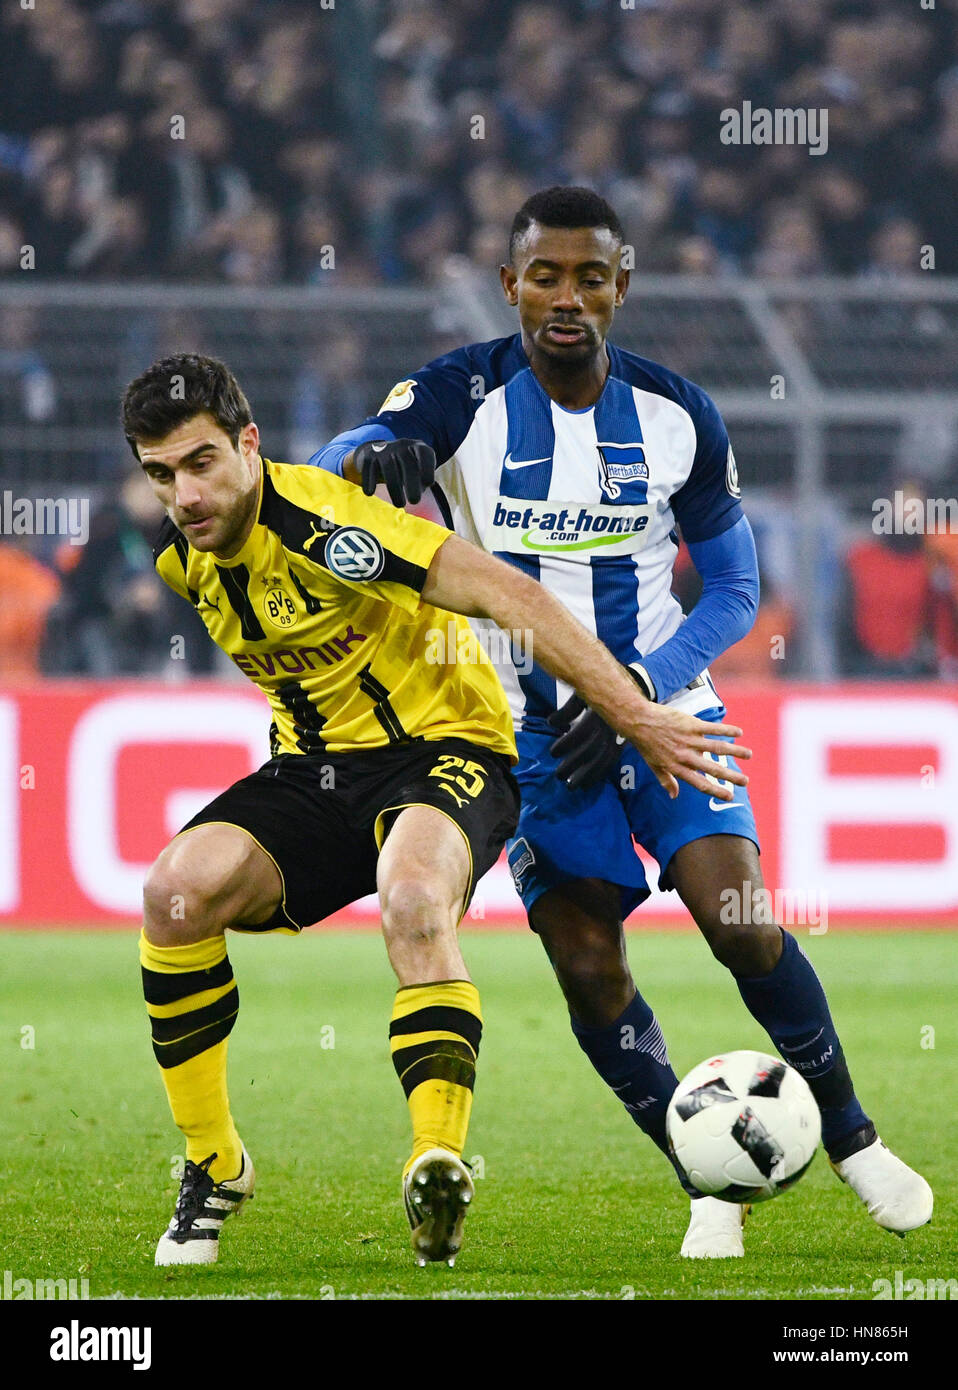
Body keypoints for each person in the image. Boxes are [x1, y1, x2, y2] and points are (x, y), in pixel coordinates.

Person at [310, 186, 933, 1258]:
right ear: (509, 285)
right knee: (590, 966)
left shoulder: (677, 412)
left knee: (739, 917)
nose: (566, 297)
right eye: (543, 275)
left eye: (588, 277)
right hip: (522, 735)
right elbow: (345, 461)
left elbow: (733, 590)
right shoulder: (461, 392)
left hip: (660, 706)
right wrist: (374, 460)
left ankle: (852, 1134)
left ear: (620, 288)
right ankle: (705, 1180)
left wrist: (631, 690)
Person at [122, 352, 750, 1270]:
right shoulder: (186, 561)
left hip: (452, 752)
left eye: (203, 461)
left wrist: (638, 716)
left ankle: (435, 1166)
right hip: (319, 772)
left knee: (412, 896)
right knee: (174, 896)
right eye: (161, 474)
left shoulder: (332, 525)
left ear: (250, 445)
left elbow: (512, 595)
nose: (186, 493)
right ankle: (214, 1165)